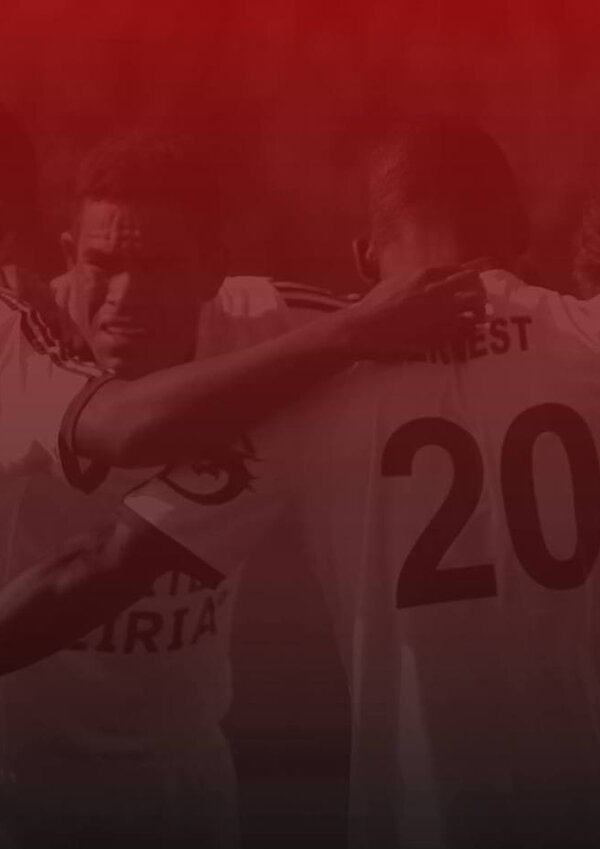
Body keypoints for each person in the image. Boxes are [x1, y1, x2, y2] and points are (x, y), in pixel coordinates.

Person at [17, 115, 600, 848]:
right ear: (519, 232)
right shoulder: (586, 343)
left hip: (415, 816)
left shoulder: (316, 387)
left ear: (362, 255)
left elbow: (101, 567)